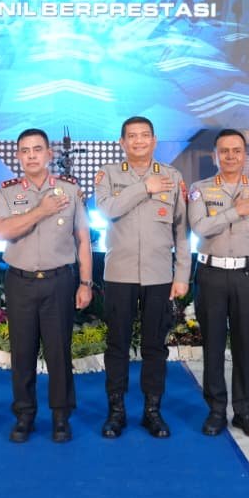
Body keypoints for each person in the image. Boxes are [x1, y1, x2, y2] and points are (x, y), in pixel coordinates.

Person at [0, 129, 93, 443]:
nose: (31, 155)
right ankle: (24, 415)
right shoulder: (7, 192)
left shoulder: (69, 190)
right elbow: (2, 231)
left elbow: (83, 240)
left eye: (37, 149)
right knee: (22, 352)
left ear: (49, 154)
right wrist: (41, 211)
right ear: (18, 156)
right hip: (20, 281)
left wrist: (86, 283)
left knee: (59, 352)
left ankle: (61, 416)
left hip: (59, 281)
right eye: (25, 150)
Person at [93, 116, 190, 439]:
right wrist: (144, 187)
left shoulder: (172, 177)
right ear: (122, 142)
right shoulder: (108, 174)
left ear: (154, 140)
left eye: (144, 135)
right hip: (119, 274)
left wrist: (182, 274)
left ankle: (152, 411)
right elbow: (107, 210)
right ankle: (116, 411)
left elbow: (181, 230)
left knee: (154, 346)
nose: (138, 141)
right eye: (132, 136)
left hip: (159, 274)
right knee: (117, 345)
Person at [187, 129, 249, 438]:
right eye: (224, 151)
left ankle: (244, 411)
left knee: (243, 346)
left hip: (247, 276)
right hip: (211, 274)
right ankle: (215, 410)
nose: (230, 156)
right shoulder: (200, 190)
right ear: (215, 155)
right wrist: (235, 211)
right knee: (212, 345)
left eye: (236, 150)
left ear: (244, 155)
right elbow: (199, 227)